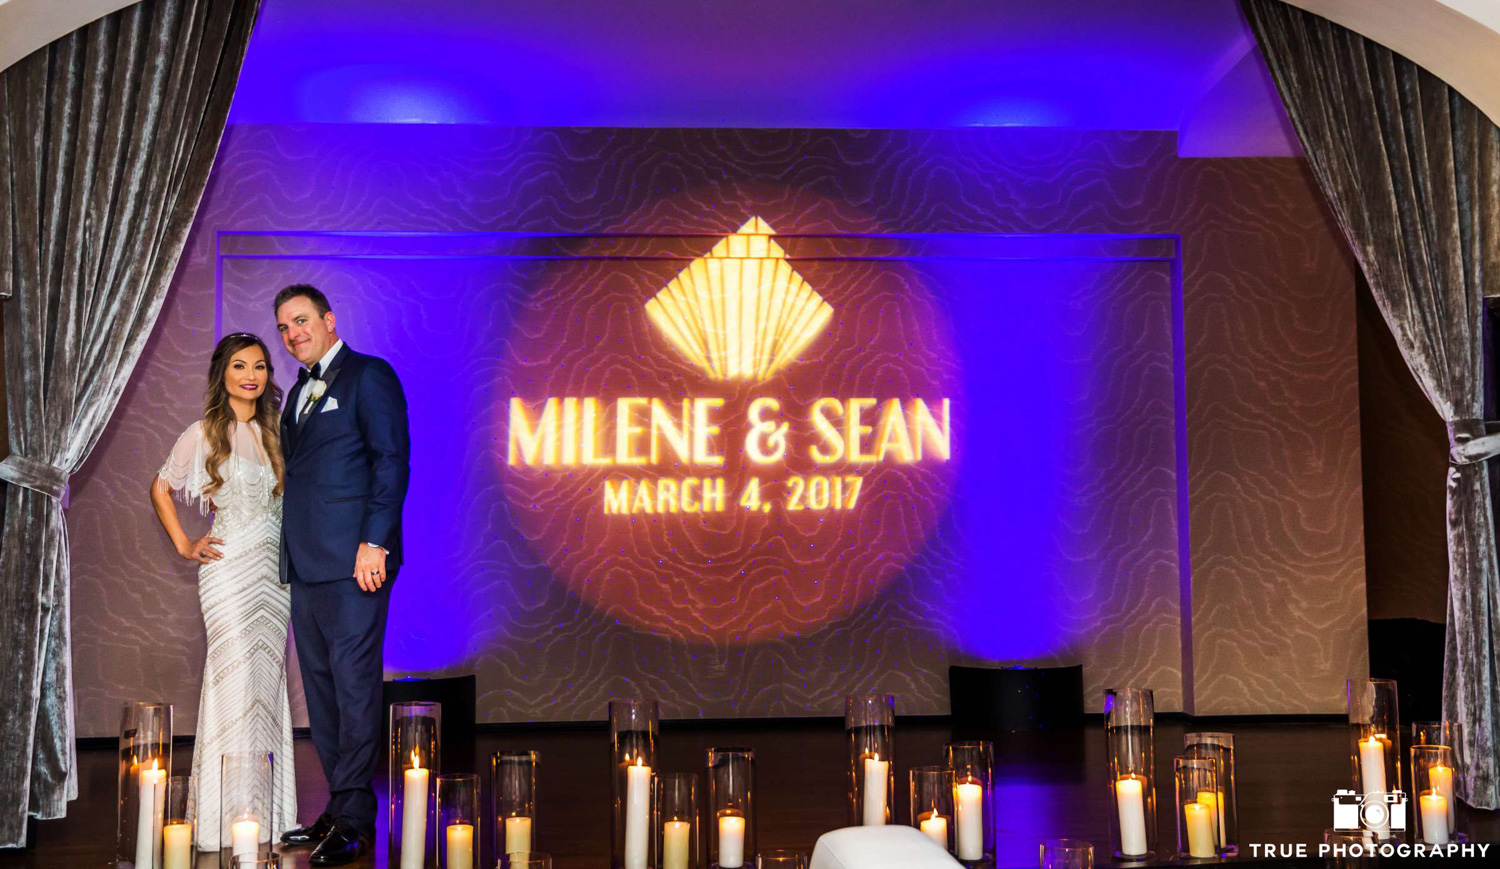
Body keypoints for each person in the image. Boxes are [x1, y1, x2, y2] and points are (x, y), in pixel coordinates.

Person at [273, 284, 410, 865]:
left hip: (357, 563)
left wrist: (374, 542)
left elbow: (390, 462)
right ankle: (341, 806)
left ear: (329, 319)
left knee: (354, 688)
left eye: (302, 320)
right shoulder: (296, 393)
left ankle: (354, 821)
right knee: (323, 692)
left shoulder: (368, 376)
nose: (293, 334)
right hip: (306, 564)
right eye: (284, 327)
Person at [150, 332, 297, 848]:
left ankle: (267, 814)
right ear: (223, 373)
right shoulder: (204, 432)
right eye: (240, 365)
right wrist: (185, 543)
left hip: (275, 578)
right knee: (232, 679)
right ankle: (221, 815)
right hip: (228, 572)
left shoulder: (278, 432)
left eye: (259, 366)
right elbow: (161, 487)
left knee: (266, 683)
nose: (251, 375)